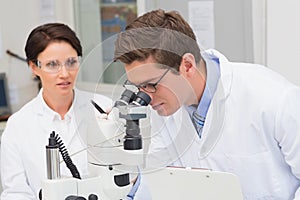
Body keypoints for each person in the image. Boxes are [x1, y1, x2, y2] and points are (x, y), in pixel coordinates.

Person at [114, 9, 300, 199]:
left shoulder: (275, 99)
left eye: (151, 84)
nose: (146, 98)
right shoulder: (164, 108)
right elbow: (157, 181)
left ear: (187, 65)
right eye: (138, 87)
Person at [0, 23, 112, 199]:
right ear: (34, 67)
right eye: (52, 64)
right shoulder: (18, 125)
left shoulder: (105, 109)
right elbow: (16, 192)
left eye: (71, 62)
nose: (65, 73)